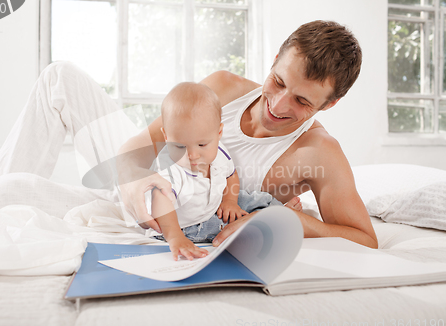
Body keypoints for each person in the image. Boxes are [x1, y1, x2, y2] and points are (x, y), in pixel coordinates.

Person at [118, 20, 378, 249]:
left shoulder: (319, 152)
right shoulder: (222, 89)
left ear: (329, 104)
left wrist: (288, 221)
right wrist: (131, 180)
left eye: (301, 100)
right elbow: (136, 150)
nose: (277, 106)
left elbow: (364, 239)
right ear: (276, 59)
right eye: (278, 81)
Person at [144, 82, 301, 260]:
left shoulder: (219, 150)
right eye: (180, 146)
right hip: (182, 224)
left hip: (213, 201)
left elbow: (230, 175)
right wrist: (175, 236)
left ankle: (279, 211)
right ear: (166, 136)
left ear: (219, 133)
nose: (193, 155)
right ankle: (264, 226)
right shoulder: (167, 168)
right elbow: (160, 201)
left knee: (252, 198)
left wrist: (229, 200)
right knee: (226, 225)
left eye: (202, 144)